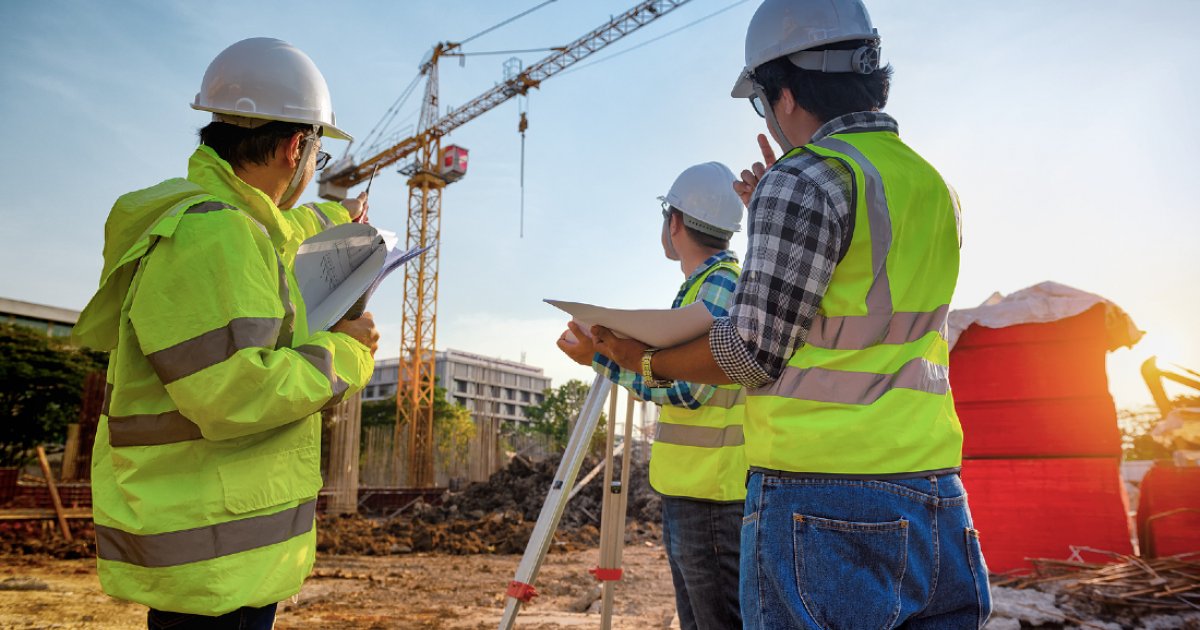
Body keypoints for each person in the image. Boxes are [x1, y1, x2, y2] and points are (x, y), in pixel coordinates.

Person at [589, 1, 992, 628]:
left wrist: (641, 359)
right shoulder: (933, 183)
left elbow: (751, 352)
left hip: (822, 492)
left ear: (783, 95)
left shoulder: (806, 178)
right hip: (933, 486)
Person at [72, 38, 379, 629]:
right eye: (316, 155)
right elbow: (237, 391)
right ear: (297, 147)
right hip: (213, 557)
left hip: (221, 546)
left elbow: (278, 233)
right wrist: (348, 352)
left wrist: (336, 220)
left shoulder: (230, 225)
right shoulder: (214, 236)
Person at [558, 163, 748, 630]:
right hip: (693, 491)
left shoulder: (719, 285)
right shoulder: (700, 287)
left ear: (676, 222)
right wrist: (607, 353)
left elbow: (690, 388)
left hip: (714, 496)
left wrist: (605, 358)